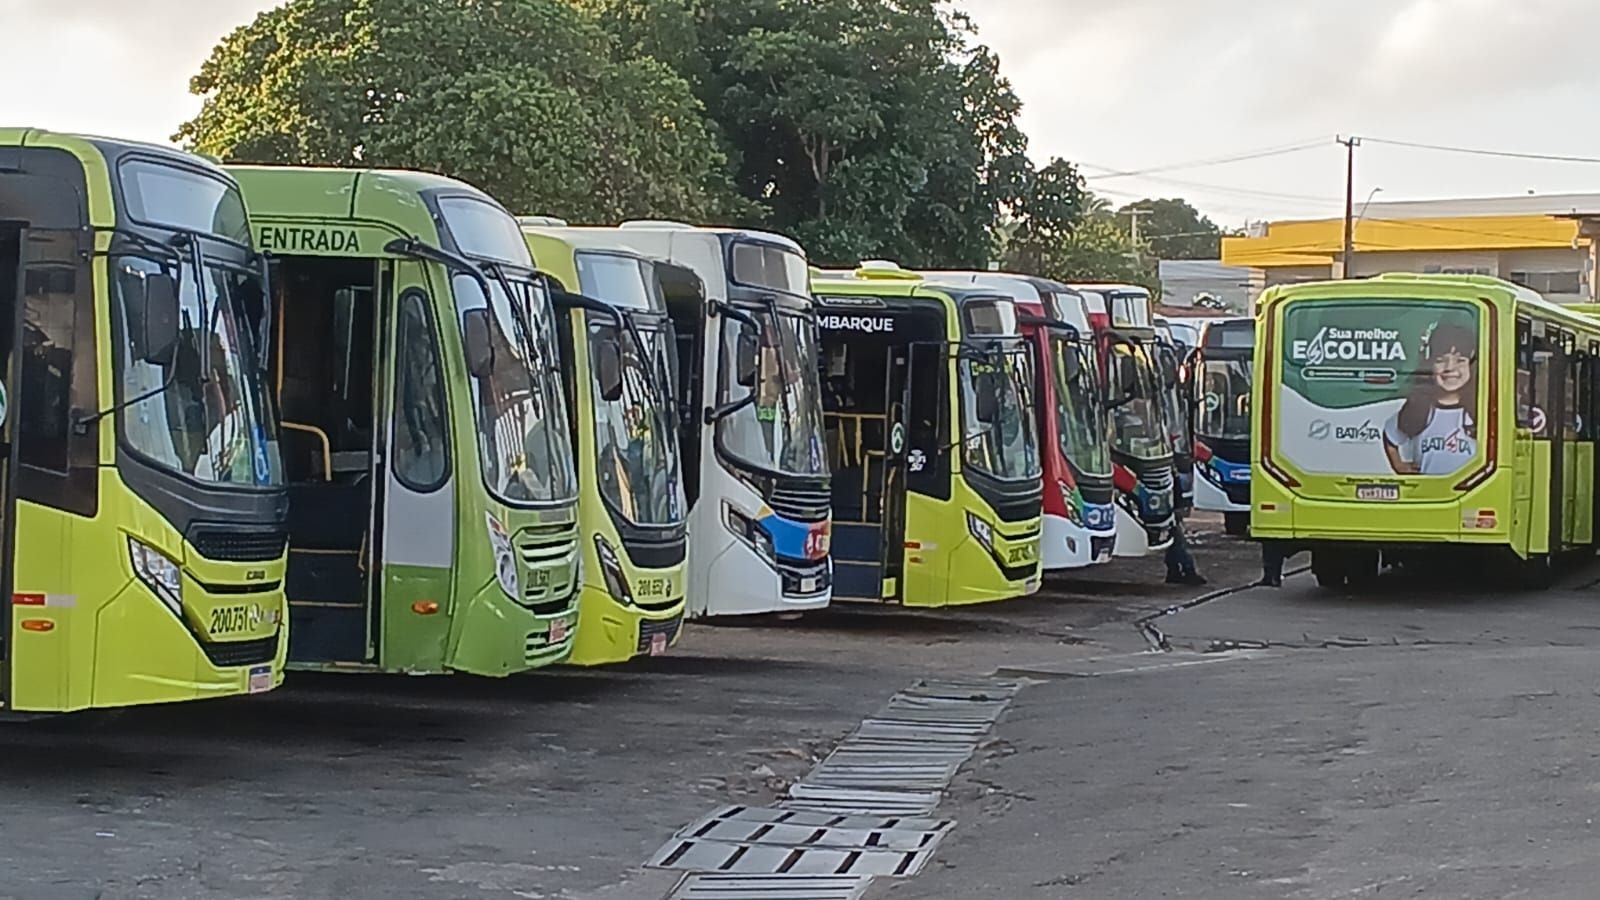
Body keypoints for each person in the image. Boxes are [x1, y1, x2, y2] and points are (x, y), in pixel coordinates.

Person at [1382, 318, 1477, 476]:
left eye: (1460, 361)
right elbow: (1390, 436)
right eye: (1440, 361)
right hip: (1428, 494)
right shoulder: (1419, 407)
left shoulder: (1482, 409)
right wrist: (1399, 465)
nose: (1450, 368)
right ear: (1430, 365)